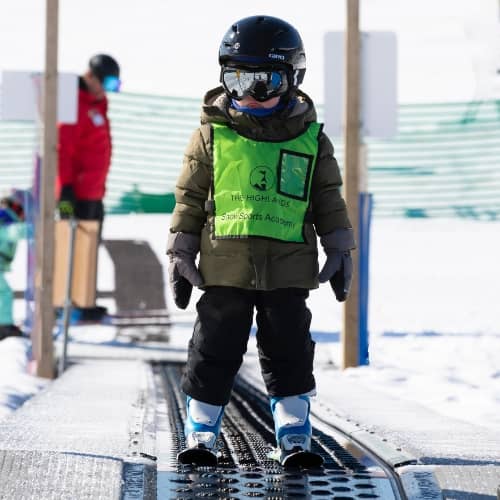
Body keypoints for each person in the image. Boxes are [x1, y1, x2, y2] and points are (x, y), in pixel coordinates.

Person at [167, 15, 355, 458]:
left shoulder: (311, 140)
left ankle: (293, 427)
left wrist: (340, 244)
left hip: (288, 268)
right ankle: (202, 427)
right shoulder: (212, 136)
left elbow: (328, 196)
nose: (251, 95)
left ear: (292, 80)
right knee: (214, 344)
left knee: (288, 345)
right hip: (223, 266)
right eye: (238, 81)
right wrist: (180, 250)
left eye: (265, 82)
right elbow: (189, 198)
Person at [55, 53, 120, 320]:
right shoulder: (73, 105)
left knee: (89, 246)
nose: (106, 90)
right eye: (105, 82)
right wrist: (65, 191)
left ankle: (84, 300)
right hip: (77, 192)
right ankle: (62, 302)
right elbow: (62, 151)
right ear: (90, 76)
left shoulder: (97, 101)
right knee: (70, 248)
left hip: (94, 190)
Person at [0, 191, 25, 341]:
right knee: (5, 292)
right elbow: (16, 232)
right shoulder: (7, 219)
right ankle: (4, 326)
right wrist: (37, 229)